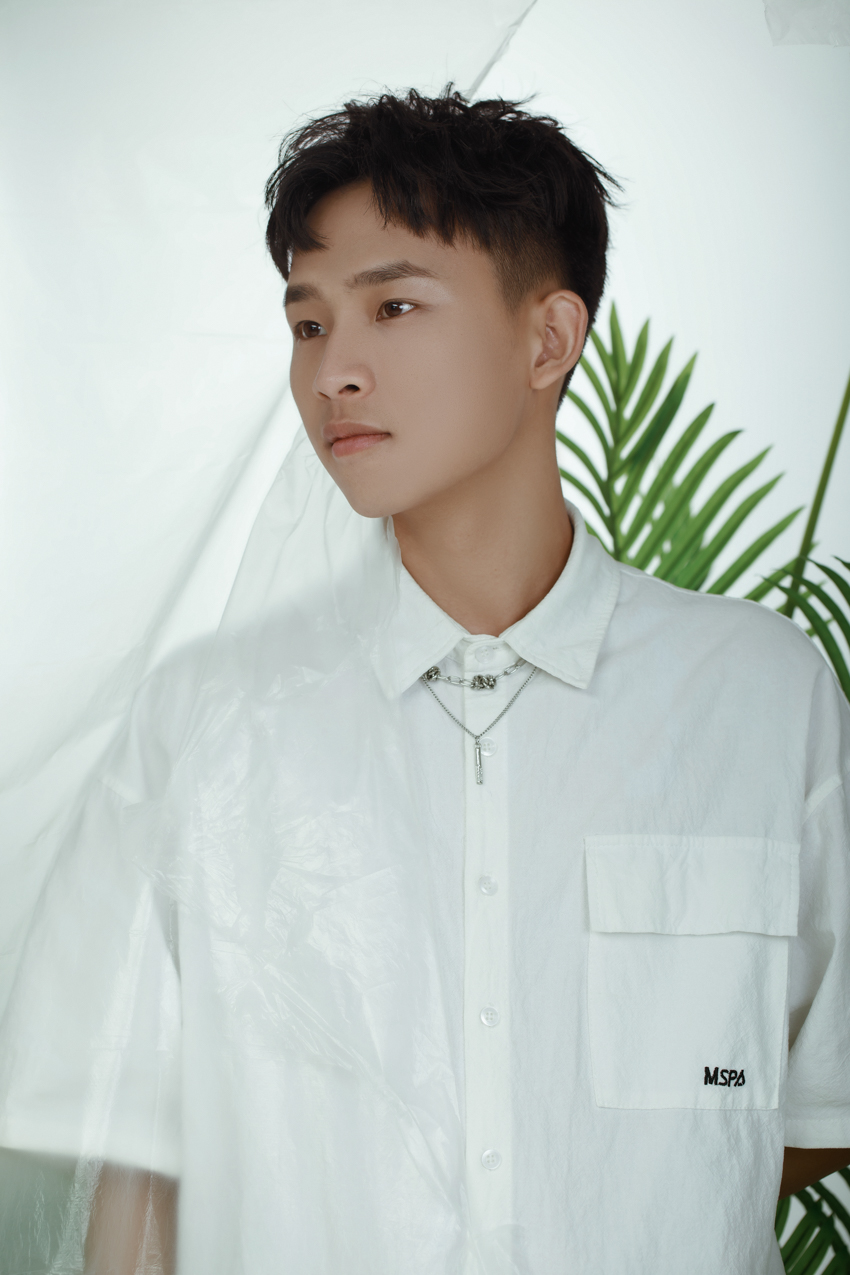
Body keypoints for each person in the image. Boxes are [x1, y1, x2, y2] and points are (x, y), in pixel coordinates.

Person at [0, 87, 848, 1275]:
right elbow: (150, 1163)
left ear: (547, 341)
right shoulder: (216, 727)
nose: (332, 372)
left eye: (393, 307)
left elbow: (806, 1110)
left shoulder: (760, 695)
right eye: (307, 324)